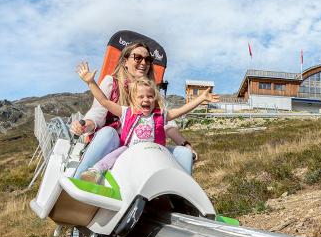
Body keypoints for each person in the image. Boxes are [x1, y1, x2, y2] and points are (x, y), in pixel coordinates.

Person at [75, 61, 218, 182]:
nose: (146, 100)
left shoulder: (160, 115)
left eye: (150, 96)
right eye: (141, 97)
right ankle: (95, 172)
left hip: (155, 151)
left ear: (155, 99)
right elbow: (104, 101)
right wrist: (90, 82)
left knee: (184, 154)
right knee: (115, 154)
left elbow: (182, 110)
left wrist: (201, 98)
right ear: (132, 100)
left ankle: (183, 188)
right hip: (130, 150)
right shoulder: (126, 112)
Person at [70, 42, 197, 177]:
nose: (144, 63)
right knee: (109, 132)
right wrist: (85, 125)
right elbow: (98, 111)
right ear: (125, 61)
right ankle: (80, 177)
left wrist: (185, 145)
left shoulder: (151, 92)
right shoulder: (111, 82)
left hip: (144, 148)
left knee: (184, 154)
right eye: (138, 57)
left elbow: (167, 124)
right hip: (116, 144)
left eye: (148, 59)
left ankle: (180, 194)